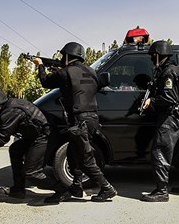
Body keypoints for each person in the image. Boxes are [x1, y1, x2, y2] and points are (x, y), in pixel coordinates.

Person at [32, 42, 117, 203]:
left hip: (79, 121)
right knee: (72, 153)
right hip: (92, 119)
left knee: (86, 158)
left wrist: (40, 65)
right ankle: (76, 187)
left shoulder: (66, 73)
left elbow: (45, 82)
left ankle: (107, 188)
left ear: (67, 56)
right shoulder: (92, 72)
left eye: (62, 56)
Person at [0, 90, 66, 199]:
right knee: (15, 149)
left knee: (32, 172)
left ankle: (63, 190)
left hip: (45, 136)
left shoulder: (10, 112)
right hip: (37, 135)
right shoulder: (11, 105)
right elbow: (7, 128)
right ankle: (18, 190)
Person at [139, 40, 179, 202]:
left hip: (169, 116)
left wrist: (152, 101)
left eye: (153, 56)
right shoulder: (166, 70)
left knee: (159, 151)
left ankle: (161, 191)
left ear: (159, 55)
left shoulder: (168, 73)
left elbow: (169, 97)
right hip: (173, 117)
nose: (152, 59)